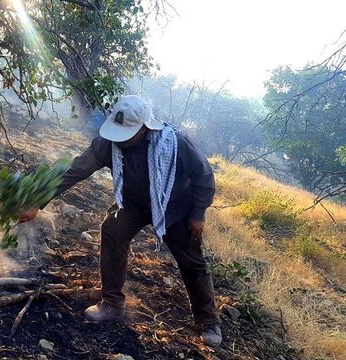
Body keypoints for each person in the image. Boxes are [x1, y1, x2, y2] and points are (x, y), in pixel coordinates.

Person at [19, 95, 222, 347]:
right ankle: (112, 304)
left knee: (192, 261)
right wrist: (38, 200)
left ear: (145, 128)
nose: (120, 139)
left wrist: (197, 214)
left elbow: (203, 175)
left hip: (175, 207)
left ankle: (208, 320)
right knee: (112, 229)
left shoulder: (175, 142)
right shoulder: (108, 144)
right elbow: (75, 169)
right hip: (133, 203)